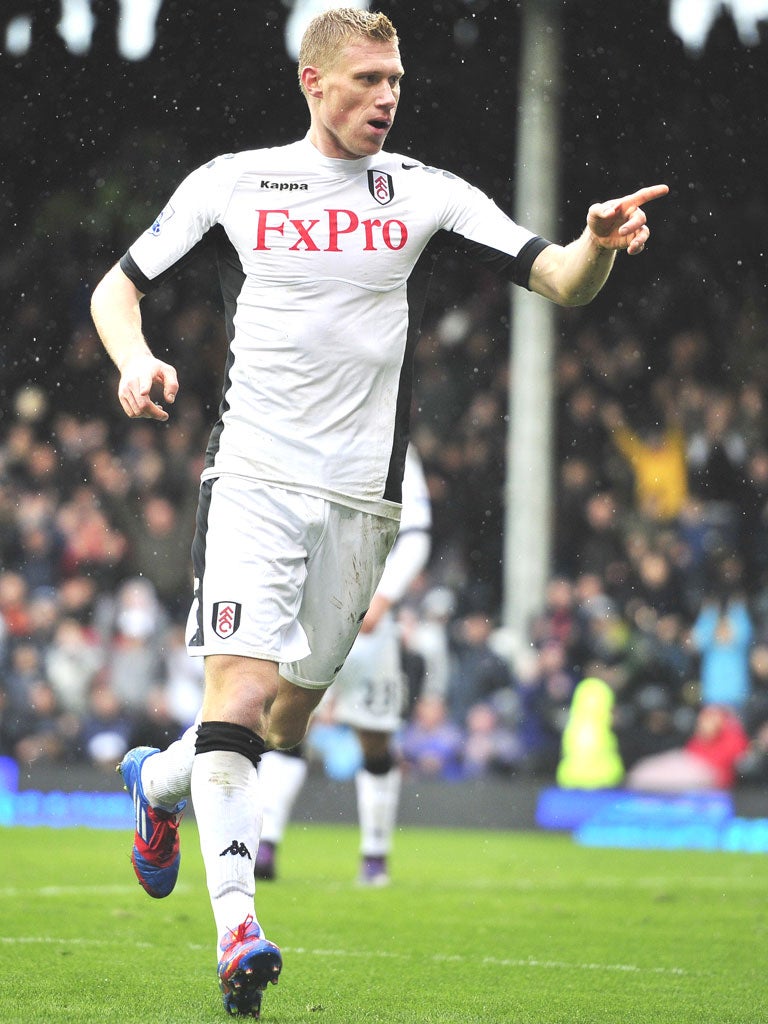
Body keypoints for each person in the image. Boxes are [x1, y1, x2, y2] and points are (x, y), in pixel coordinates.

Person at [89, 8, 668, 1018]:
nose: (388, 96)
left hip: (364, 501)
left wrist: (596, 241)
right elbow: (116, 289)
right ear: (314, 84)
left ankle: (159, 785)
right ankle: (238, 931)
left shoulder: (425, 194)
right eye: (367, 79)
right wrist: (136, 362)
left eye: (396, 78)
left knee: (280, 717)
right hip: (255, 480)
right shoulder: (236, 182)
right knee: (238, 692)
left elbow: (565, 282)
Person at [255, 443, 431, 886]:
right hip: (308, 610)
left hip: (368, 620)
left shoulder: (394, 447)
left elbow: (416, 532)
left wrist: (385, 596)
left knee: (374, 737)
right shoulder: (306, 431)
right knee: (287, 726)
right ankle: (268, 844)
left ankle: (374, 855)